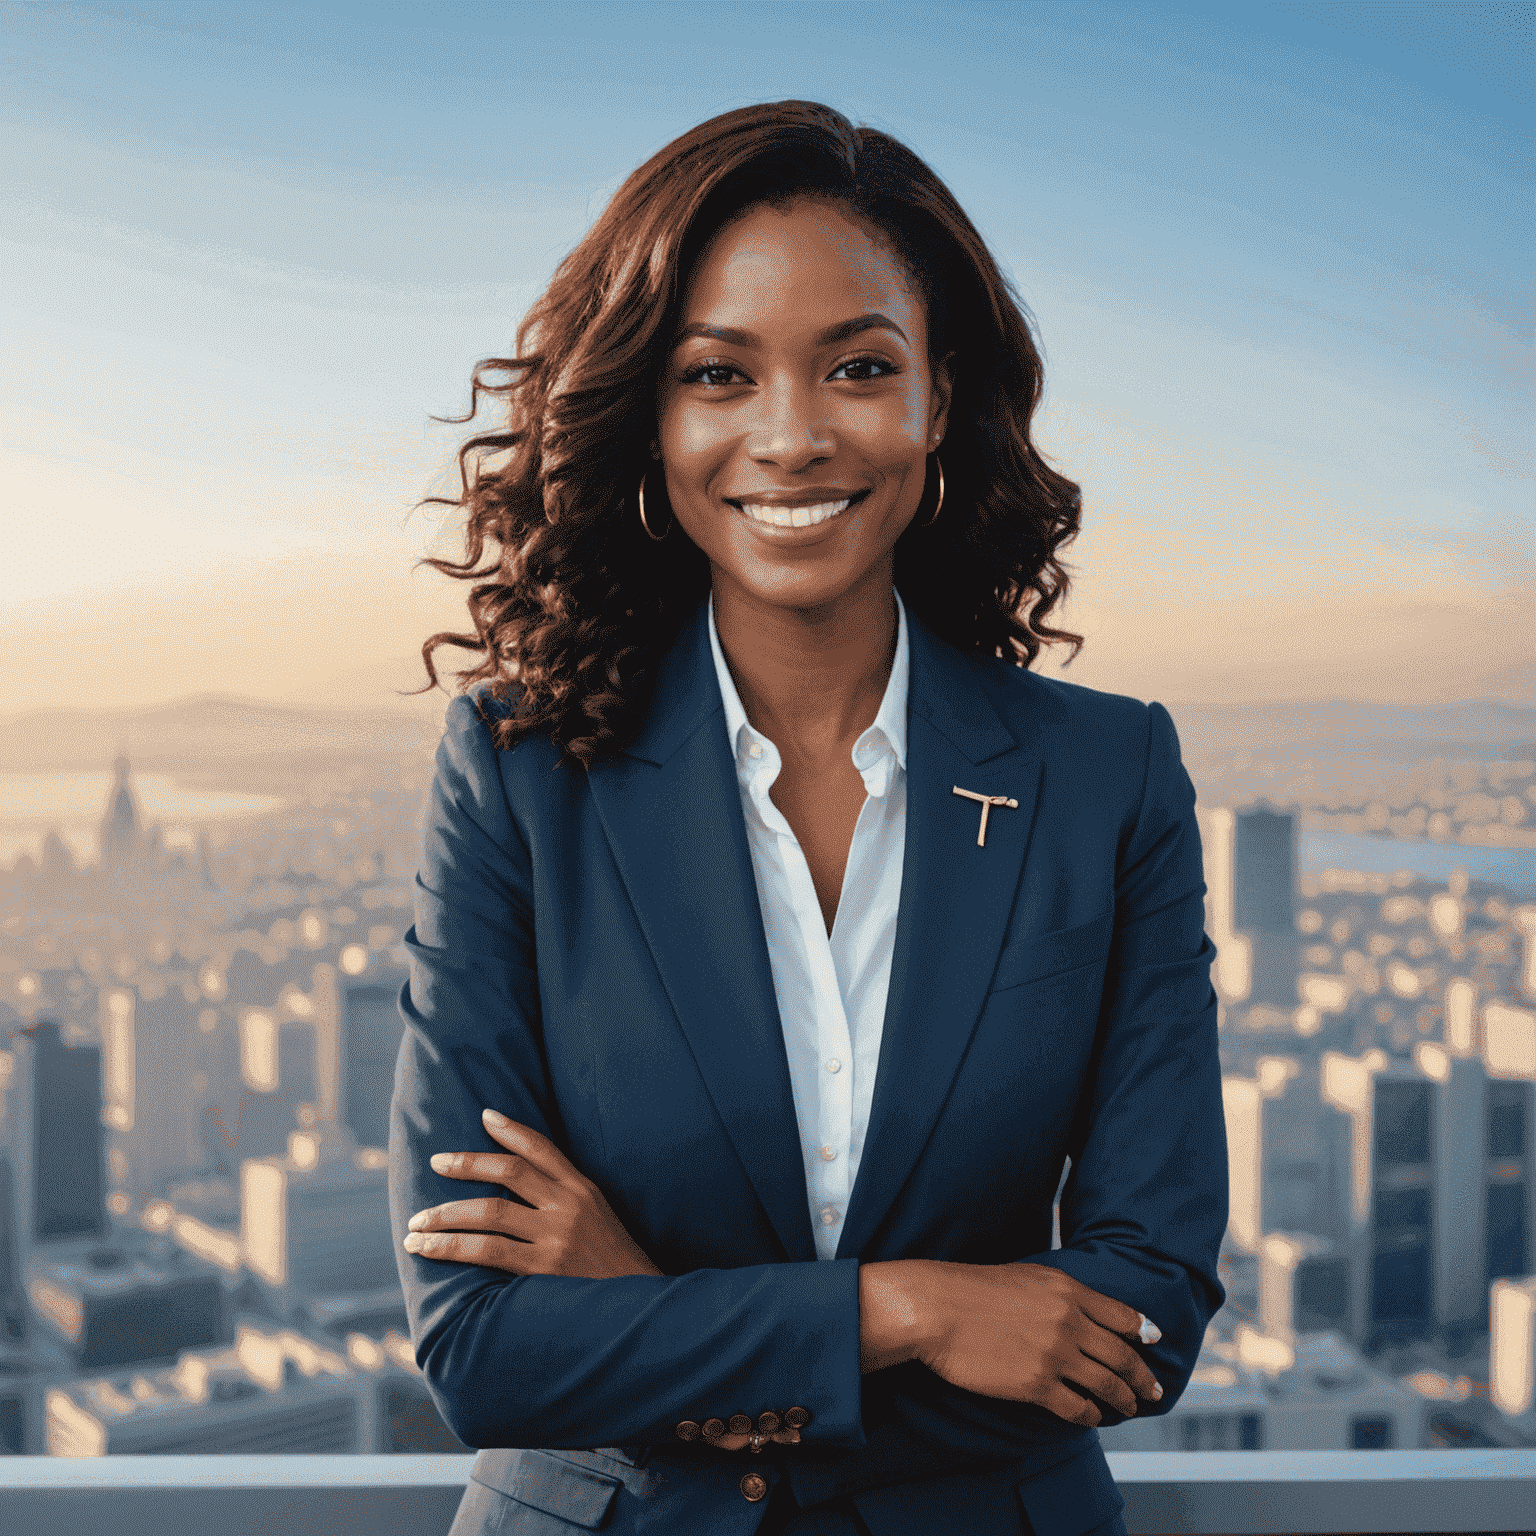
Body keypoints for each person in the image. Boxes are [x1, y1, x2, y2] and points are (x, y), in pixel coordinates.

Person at [390, 100, 1227, 1536]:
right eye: (718, 374)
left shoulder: (1108, 778)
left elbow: (1135, 1323)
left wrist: (649, 1315)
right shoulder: (518, 773)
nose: (789, 437)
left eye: (856, 366)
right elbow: (483, 1348)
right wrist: (906, 1311)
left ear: (938, 400)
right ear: (651, 416)